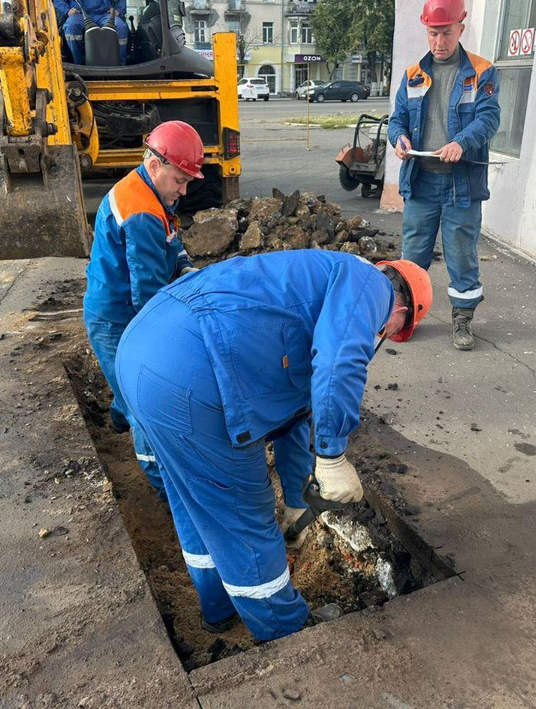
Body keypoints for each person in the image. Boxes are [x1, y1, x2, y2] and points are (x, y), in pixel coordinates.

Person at [115, 251, 431, 641]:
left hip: (145, 346)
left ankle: (219, 611)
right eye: (396, 328)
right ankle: (286, 629)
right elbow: (339, 363)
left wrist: (300, 497)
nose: (384, 334)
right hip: (189, 374)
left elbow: (293, 412)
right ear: (401, 306)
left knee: (198, 503)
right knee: (244, 515)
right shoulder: (371, 285)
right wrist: (331, 456)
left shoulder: (313, 280)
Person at [82, 120, 203, 501]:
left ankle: (116, 414)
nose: (183, 190)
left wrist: (186, 270)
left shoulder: (152, 196)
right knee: (144, 401)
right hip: (115, 318)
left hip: (115, 307)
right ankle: (163, 488)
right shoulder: (141, 213)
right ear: (154, 165)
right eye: (180, 180)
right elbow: (149, 295)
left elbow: (172, 244)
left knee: (127, 382)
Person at [388, 0, 500, 351]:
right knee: (413, 255)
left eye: (447, 32)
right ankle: (408, 315)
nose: (439, 41)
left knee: (461, 254)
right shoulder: (413, 74)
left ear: (461, 27)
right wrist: (400, 138)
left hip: (460, 186)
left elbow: (488, 118)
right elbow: (397, 119)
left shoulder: (481, 73)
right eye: (433, 33)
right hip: (421, 182)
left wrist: (461, 143)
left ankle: (462, 319)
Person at [53, 0, 129, 65]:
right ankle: (77, 63)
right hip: (79, 14)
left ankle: (121, 65)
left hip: (104, 14)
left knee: (120, 26)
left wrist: (118, 10)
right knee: (71, 25)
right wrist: (67, 11)